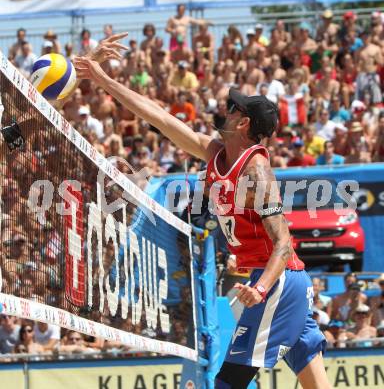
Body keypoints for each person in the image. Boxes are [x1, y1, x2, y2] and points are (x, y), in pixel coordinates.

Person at [74, 56, 331, 388]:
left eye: (233, 109)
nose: (226, 110)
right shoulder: (215, 154)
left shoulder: (256, 171)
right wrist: (104, 80)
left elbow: (283, 244)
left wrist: (260, 287)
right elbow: (160, 119)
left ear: (244, 123)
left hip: (278, 283)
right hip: (273, 280)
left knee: (228, 382)